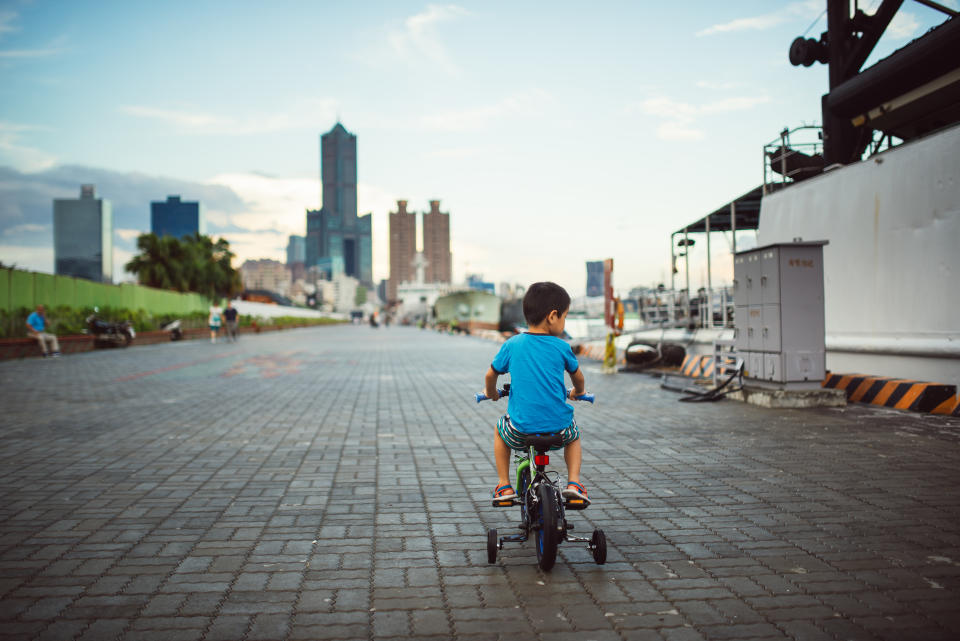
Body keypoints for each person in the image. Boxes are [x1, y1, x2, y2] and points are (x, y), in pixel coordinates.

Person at [483, 281, 590, 506]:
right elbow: (578, 378)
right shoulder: (562, 347)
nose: (564, 321)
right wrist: (578, 392)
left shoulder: (512, 344)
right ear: (553, 316)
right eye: (565, 317)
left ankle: (503, 485)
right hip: (559, 430)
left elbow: (490, 375)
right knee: (575, 435)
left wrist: (491, 392)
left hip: (520, 431)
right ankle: (574, 483)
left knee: (499, 430)